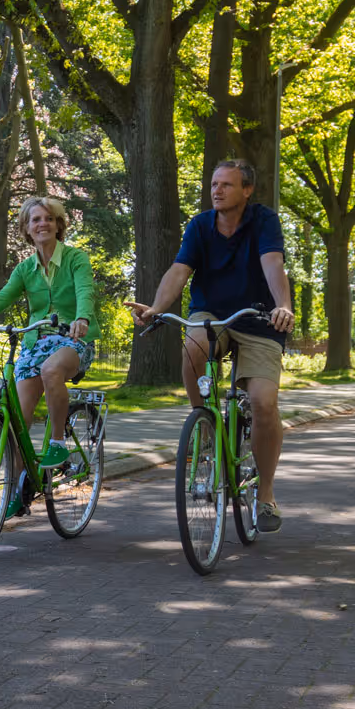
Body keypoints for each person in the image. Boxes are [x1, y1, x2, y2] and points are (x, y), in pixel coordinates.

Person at [128, 160, 295, 532]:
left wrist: (283, 306)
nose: (216, 190)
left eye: (226, 185)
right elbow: (179, 271)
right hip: (211, 313)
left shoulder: (264, 221)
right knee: (195, 339)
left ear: (247, 190)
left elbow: (273, 264)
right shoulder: (200, 225)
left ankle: (265, 496)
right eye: (214, 184)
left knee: (264, 403)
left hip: (260, 316)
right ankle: (204, 423)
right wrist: (157, 307)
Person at [0, 196, 99, 491]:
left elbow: (85, 291)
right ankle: (19, 488)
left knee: (52, 371)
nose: (43, 224)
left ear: (58, 224)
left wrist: (82, 318)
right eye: (36, 220)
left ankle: (58, 442)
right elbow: (4, 295)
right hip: (37, 342)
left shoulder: (76, 259)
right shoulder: (25, 268)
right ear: (27, 228)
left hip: (73, 339)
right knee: (16, 422)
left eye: (49, 219)